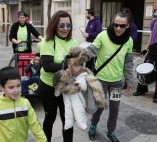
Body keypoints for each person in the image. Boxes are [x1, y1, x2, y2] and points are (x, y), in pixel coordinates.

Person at [84, 11, 134, 141]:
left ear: (128, 25)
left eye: (122, 26)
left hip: (117, 82)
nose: (118, 28)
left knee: (114, 109)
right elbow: (91, 51)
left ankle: (111, 131)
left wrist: (129, 80)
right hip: (101, 80)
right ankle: (93, 126)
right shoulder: (102, 36)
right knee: (99, 106)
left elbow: (128, 63)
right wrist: (77, 57)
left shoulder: (129, 41)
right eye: (116, 24)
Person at [38, 10, 78, 142]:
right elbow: (47, 66)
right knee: (50, 117)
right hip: (49, 87)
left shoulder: (73, 41)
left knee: (67, 119)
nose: (65, 29)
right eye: (62, 25)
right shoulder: (48, 42)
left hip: (66, 88)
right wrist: (67, 65)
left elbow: (76, 64)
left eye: (68, 25)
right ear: (55, 25)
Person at [0, 66, 47, 142]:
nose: (16, 90)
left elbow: (35, 125)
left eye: (18, 86)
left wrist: (43, 140)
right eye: (11, 87)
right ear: (2, 88)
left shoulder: (25, 103)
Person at [133, 10, 157, 103]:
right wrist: (146, 49)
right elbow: (151, 36)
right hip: (153, 49)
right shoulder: (154, 21)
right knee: (144, 69)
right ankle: (141, 89)